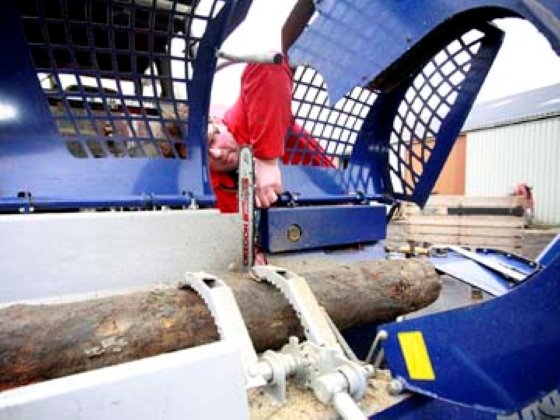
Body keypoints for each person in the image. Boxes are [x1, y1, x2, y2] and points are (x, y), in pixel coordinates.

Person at [207, 56, 333, 212]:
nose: (217, 154)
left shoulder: (245, 116)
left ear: (216, 121)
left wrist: (266, 160)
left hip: (331, 197)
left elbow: (267, 65)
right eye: (204, 156)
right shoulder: (212, 189)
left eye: (212, 139)